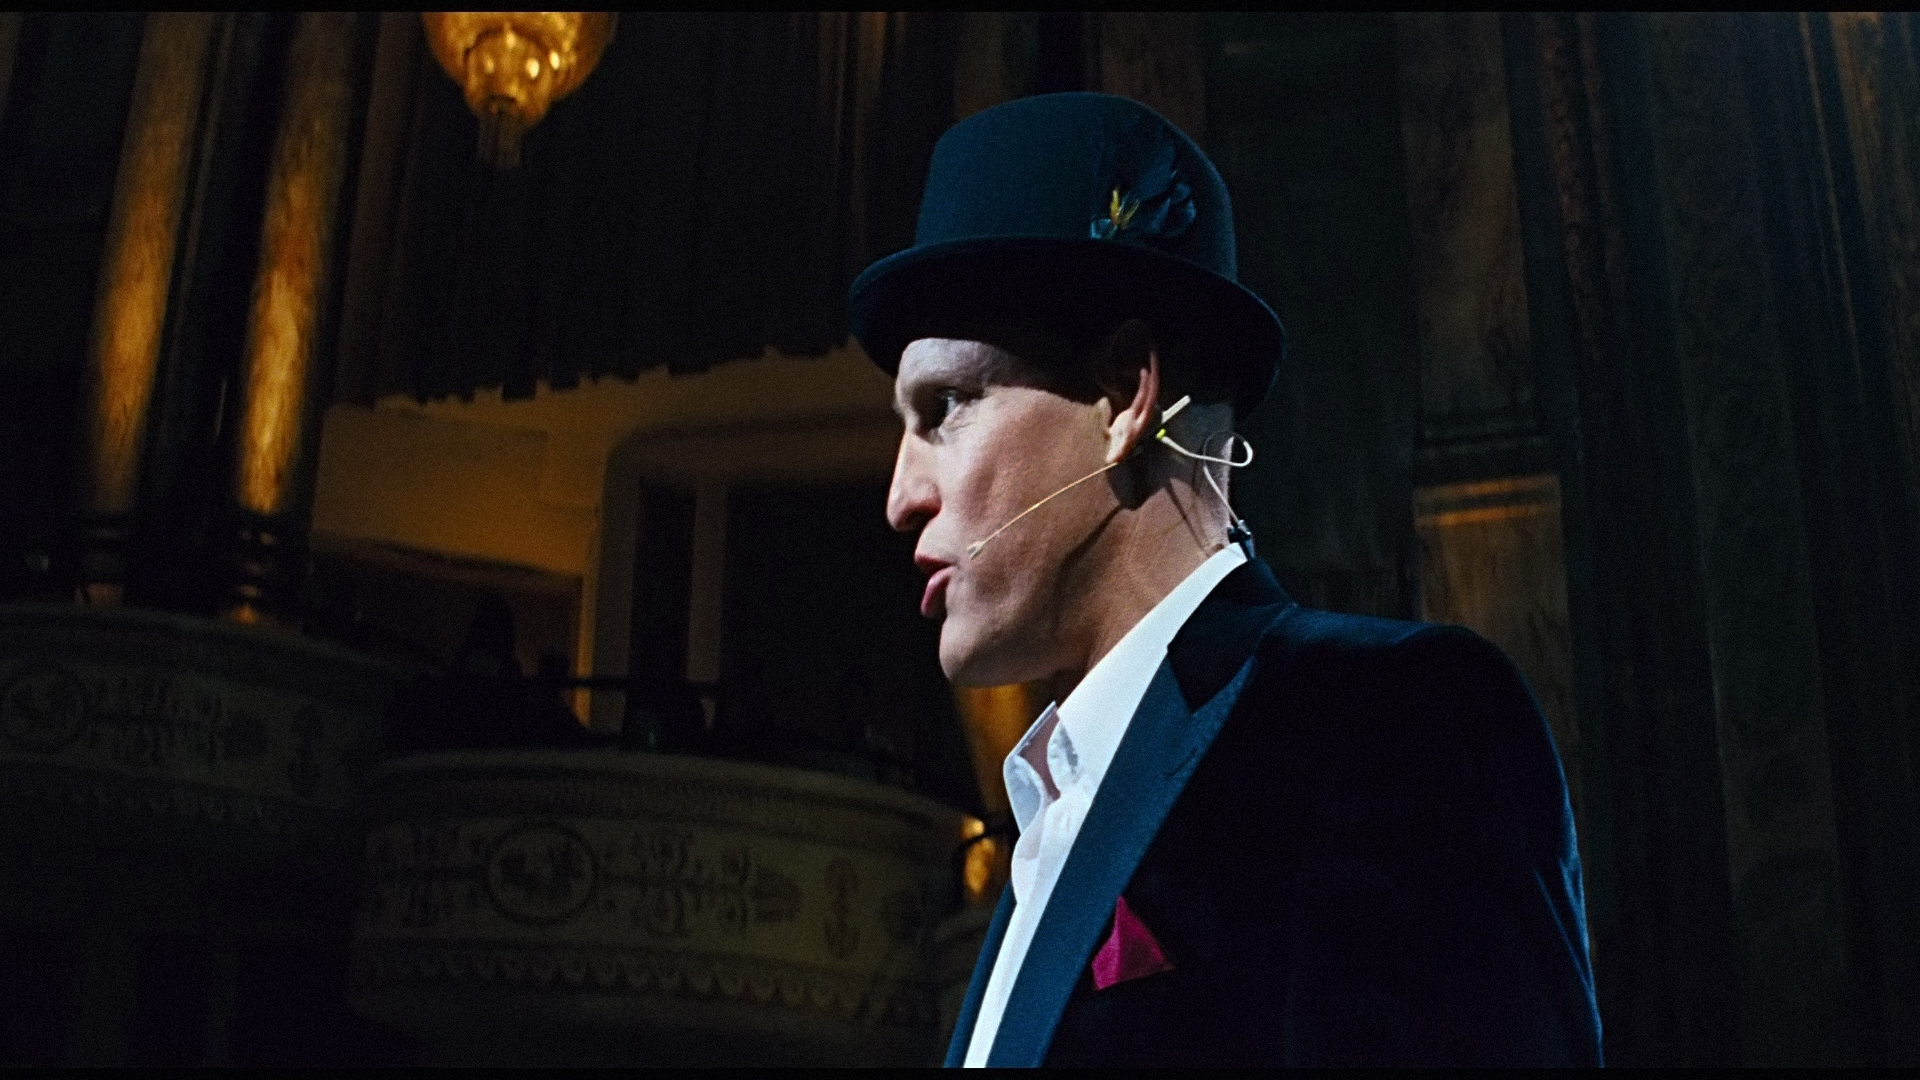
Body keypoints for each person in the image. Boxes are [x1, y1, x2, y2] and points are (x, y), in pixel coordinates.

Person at [850, 93, 1602, 1067]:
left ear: (1124, 396)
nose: (900, 496)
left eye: (945, 407)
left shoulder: (1390, 722)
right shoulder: (1047, 818)